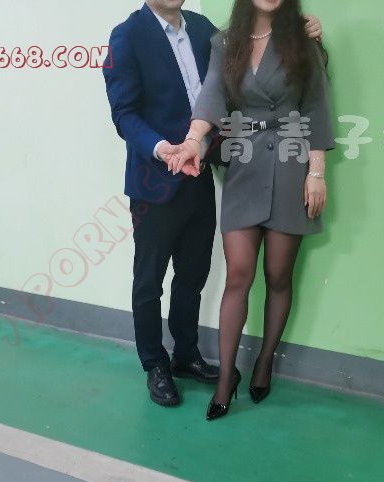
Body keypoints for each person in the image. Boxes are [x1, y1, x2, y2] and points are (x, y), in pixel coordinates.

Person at [102, 0, 323, 407]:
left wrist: (302, 28)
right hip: (156, 179)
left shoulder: (205, 30)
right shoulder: (127, 36)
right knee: (149, 280)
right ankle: (155, 364)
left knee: (193, 273)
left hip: (200, 173)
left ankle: (186, 355)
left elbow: (235, 76)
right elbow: (124, 114)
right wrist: (163, 148)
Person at [168, 0, 335, 420]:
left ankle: (264, 362)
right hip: (244, 161)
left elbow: (316, 107)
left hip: (292, 161)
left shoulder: (303, 39)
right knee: (238, 274)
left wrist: (316, 173)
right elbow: (212, 95)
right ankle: (226, 378)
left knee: (278, 275)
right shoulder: (226, 43)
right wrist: (193, 139)